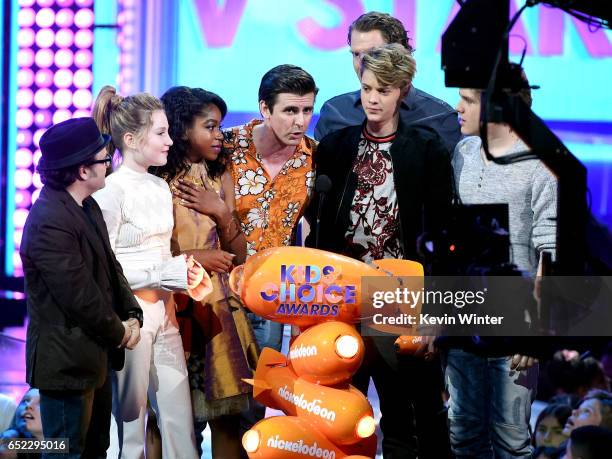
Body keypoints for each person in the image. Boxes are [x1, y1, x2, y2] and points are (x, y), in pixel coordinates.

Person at [306, 43, 454, 459]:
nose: (372, 98)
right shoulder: (335, 146)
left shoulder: (426, 150)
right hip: (342, 295)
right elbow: (318, 228)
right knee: (336, 410)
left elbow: (442, 236)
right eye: (367, 88)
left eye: (383, 90)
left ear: (402, 92)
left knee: (406, 412)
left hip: (400, 295)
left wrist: (434, 310)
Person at [92, 86, 212, 459]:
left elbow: (163, 256)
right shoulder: (109, 191)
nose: (169, 141)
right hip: (131, 321)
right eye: (160, 133)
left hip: (166, 316)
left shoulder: (161, 186)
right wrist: (163, 274)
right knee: (128, 422)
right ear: (130, 139)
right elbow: (105, 266)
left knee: (179, 418)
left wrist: (179, 276)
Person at [446, 73, 557, 458]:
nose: (458, 107)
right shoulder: (462, 152)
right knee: (462, 433)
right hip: (465, 318)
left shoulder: (540, 164)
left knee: (511, 439)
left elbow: (550, 253)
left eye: (467, 99)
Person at [19, 118, 143, 458]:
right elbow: (80, 296)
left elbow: (110, 266)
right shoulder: (49, 220)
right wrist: (119, 332)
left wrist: (132, 312)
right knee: (65, 452)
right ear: (83, 171)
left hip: (93, 357)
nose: (110, 165)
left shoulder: (86, 206)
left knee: (94, 449)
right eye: (105, 159)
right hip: (66, 364)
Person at [154, 86, 259, 458]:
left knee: (225, 418)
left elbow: (237, 255)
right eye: (210, 127)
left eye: (221, 127)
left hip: (217, 307)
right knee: (166, 419)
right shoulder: (157, 182)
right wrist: (197, 256)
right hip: (173, 306)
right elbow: (149, 253)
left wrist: (221, 213)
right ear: (182, 130)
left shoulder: (220, 177)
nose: (219, 135)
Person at [224, 64, 318, 352]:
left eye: (307, 111)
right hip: (221, 291)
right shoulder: (226, 147)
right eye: (290, 111)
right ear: (265, 108)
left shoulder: (314, 157)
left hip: (274, 294)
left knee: (263, 388)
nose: (300, 122)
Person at [315, 11, 461, 154]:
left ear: (400, 54)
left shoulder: (441, 118)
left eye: (373, 53)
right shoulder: (335, 112)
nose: (362, 63)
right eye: (356, 54)